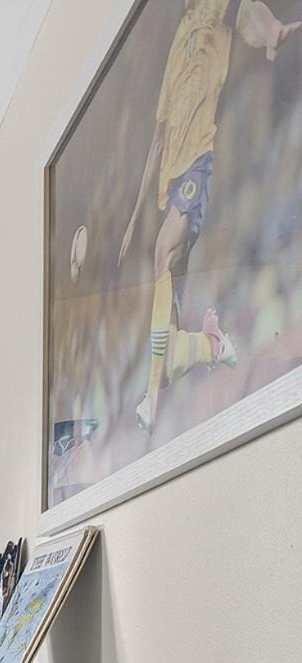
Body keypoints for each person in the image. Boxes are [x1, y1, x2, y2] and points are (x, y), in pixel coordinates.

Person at [118, 0, 301, 431]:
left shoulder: (211, 7)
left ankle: (151, 398)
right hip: (170, 180)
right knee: (168, 349)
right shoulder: (179, 38)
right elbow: (159, 134)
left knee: (163, 251)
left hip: (198, 162)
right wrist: (132, 217)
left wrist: (272, 30)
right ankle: (208, 345)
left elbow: (244, 13)